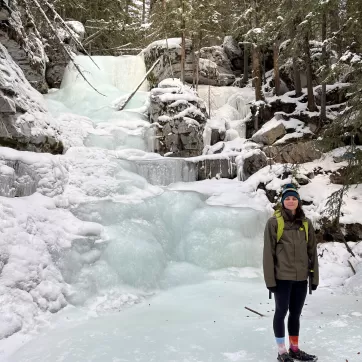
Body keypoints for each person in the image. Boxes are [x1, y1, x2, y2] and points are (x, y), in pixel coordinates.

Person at [263, 183, 319, 362]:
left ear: (299, 201)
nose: (291, 201)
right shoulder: (274, 222)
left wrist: (314, 277)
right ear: (282, 201)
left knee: (295, 314)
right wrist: (270, 280)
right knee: (281, 312)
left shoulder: (305, 223)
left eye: (294, 198)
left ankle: (294, 349)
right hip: (282, 278)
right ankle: (282, 352)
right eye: (287, 198)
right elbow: (268, 254)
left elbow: (312, 251)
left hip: (301, 278)